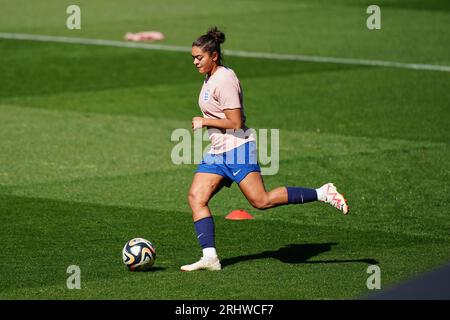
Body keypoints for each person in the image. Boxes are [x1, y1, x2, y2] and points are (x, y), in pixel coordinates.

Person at [180, 27, 348, 272]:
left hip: (237, 148)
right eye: (193, 57)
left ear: (214, 56)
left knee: (261, 201)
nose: (195, 62)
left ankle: (323, 192)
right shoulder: (210, 77)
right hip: (218, 151)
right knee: (196, 197)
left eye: (199, 57)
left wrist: (204, 121)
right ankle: (210, 258)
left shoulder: (224, 80)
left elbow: (236, 122)